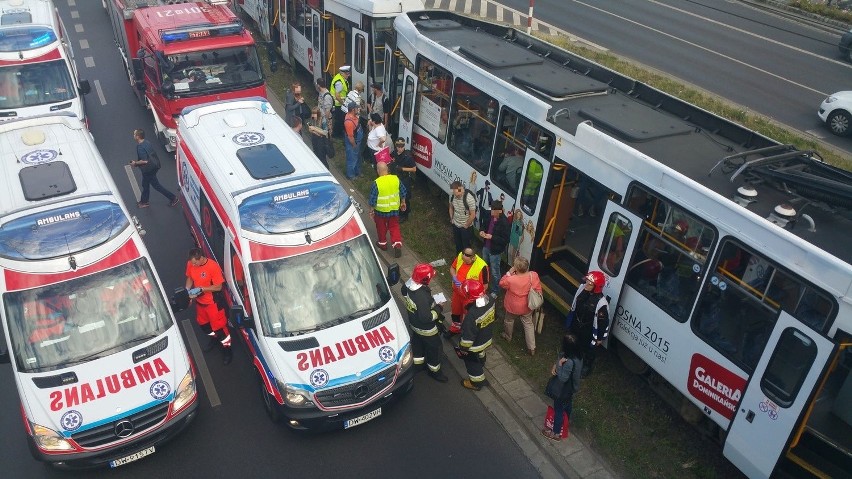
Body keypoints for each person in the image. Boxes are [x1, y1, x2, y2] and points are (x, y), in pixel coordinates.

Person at [400, 263, 448, 382]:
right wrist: (439, 308)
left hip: (414, 325)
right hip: (427, 330)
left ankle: (418, 365)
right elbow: (426, 318)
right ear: (425, 279)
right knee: (435, 349)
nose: (431, 279)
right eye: (430, 277)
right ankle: (434, 371)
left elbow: (403, 291)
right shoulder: (421, 296)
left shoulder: (409, 284)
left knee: (418, 344)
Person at [185, 248, 232, 365]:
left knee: (221, 330)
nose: (193, 265)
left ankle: (227, 351)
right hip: (200, 303)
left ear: (201, 258)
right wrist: (187, 291)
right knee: (204, 326)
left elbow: (218, 287)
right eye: (192, 263)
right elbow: (190, 277)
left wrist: (202, 289)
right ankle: (214, 339)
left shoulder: (212, 267)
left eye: (195, 263)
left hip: (213, 304)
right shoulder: (191, 264)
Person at [567, 271, 610, 377]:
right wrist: (586, 290)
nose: (586, 284)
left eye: (590, 283)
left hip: (588, 329)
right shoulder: (583, 289)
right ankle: (571, 357)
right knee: (573, 341)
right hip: (577, 323)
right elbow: (577, 303)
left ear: (596, 286)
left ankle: (587, 365)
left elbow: (603, 323)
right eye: (587, 281)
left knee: (588, 349)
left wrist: (600, 338)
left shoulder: (601, 303)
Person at [541, 333, 583, 441]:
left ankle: (555, 433)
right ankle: (566, 421)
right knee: (568, 405)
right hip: (571, 388)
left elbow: (563, 378)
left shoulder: (568, 362)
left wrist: (559, 364)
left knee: (558, 409)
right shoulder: (579, 357)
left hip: (562, 390)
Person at [455, 279, 495, 391]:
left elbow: (467, 337)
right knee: (481, 352)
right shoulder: (490, 299)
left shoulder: (472, 315)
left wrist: (463, 348)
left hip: (474, 344)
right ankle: (481, 361)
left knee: (472, 363)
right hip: (486, 336)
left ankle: (477, 382)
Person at [499, 256, 542, 356]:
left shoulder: (511, 279)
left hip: (512, 306)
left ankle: (508, 336)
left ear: (516, 268)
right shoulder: (533, 275)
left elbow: (502, 283)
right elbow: (537, 288)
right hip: (527, 305)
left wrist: (509, 273)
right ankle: (532, 347)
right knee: (528, 324)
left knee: (509, 320)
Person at [131, 129, 179, 209]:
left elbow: (145, 161)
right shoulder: (147, 142)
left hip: (148, 170)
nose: (133, 136)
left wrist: (135, 163)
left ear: (138, 137)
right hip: (153, 167)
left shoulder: (140, 147)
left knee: (157, 186)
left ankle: (173, 198)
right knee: (145, 184)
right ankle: (144, 201)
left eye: (134, 134)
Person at [369, 162, 407, 258]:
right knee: (394, 227)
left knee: (381, 228)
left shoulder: (376, 183)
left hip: (380, 212)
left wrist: (371, 211)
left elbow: (372, 200)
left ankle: (383, 244)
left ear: (378, 171)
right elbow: (403, 191)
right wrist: (403, 202)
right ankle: (397, 244)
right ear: (387, 169)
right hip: (394, 210)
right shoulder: (395, 179)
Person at [448, 247, 489, 335]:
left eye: (467, 261)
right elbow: (452, 268)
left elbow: (485, 286)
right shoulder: (460, 256)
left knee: (469, 317)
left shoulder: (482, 266)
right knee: (455, 312)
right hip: (457, 293)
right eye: (463, 260)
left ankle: (467, 334)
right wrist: (454, 277)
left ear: (473, 258)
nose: (464, 262)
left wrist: (474, 296)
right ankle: (455, 328)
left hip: (469, 299)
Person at [479, 200, 510, 298]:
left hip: (495, 251)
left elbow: (505, 240)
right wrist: (482, 231)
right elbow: (484, 225)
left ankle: (495, 291)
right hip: (486, 247)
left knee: (495, 272)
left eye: (493, 210)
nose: (491, 212)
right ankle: (483, 284)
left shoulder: (504, 223)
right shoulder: (489, 215)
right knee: (484, 267)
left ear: (499, 211)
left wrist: (492, 237)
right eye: (491, 209)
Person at [389, 138, 416, 221]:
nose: (400, 148)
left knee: (405, 196)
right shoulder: (394, 153)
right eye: (398, 146)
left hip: (404, 179)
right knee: (397, 196)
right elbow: (391, 159)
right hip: (395, 177)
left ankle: (405, 215)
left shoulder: (408, 156)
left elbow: (414, 169)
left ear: (404, 146)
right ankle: (399, 210)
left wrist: (403, 169)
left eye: (401, 146)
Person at [448, 180, 476, 254]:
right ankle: (459, 259)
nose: (456, 195)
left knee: (466, 247)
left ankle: (467, 262)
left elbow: (473, 215)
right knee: (458, 245)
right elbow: (451, 207)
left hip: (465, 227)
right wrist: (452, 219)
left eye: (457, 193)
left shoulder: (469, 198)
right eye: (454, 193)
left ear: (461, 189)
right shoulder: (452, 194)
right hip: (456, 224)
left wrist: (466, 225)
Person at [344, 101, 363, 179]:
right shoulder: (349, 122)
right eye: (356, 108)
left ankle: (357, 172)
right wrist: (354, 145)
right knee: (352, 159)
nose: (358, 109)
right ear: (352, 110)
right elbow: (350, 137)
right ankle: (351, 175)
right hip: (353, 142)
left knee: (357, 157)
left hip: (356, 141)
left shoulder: (353, 115)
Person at [330, 65, 351, 138]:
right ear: (342, 73)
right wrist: (343, 104)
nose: (348, 75)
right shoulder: (339, 82)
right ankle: (336, 135)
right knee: (339, 120)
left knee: (340, 119)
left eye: (348, 73)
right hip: (338, 104)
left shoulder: (340, 77)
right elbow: (337, 96)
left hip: (339, 103)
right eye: (347, 74)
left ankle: (338, 133)